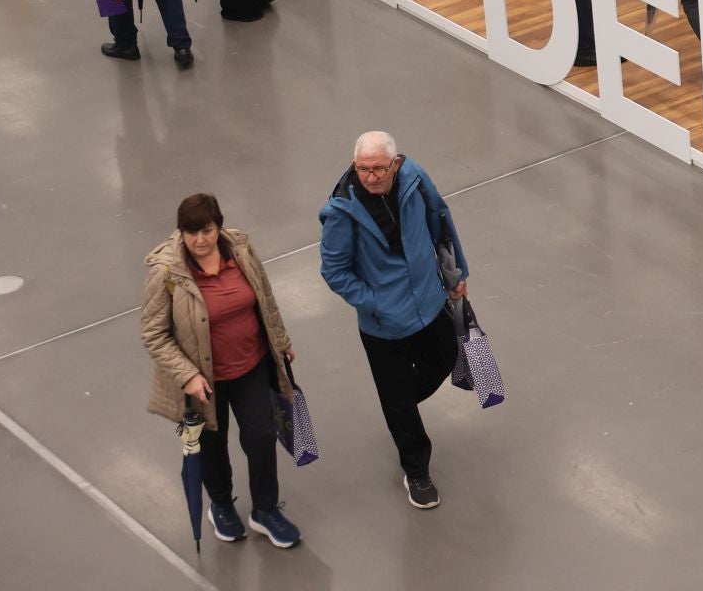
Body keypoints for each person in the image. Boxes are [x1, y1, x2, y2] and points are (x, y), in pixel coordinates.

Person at [319, 132, 469, 511]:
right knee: (399, 399)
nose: (370, 177)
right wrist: (375, 303)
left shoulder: (414, 180)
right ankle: (417, 471)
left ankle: (398, 405)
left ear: (395, 164)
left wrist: (455, 274)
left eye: (379, 169)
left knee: (445, 357)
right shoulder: (341, 211)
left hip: (430, 302)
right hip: (383, 325)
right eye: (363, 169)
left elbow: (440, 220)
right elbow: (334, 271)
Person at [141, 193, 301, 548]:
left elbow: (265, 296)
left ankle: (265, 510)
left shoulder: (240, 249)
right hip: (204, 381)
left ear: (219, 226)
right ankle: (222, 505)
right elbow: (154, 333)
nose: (200, 240)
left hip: (251, 365)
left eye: (207, 230)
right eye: (191, 232)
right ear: (181, 232)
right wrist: (187, 375)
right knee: (212, 444)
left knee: (261, 436)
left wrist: (281, 339)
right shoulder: (167, 272)